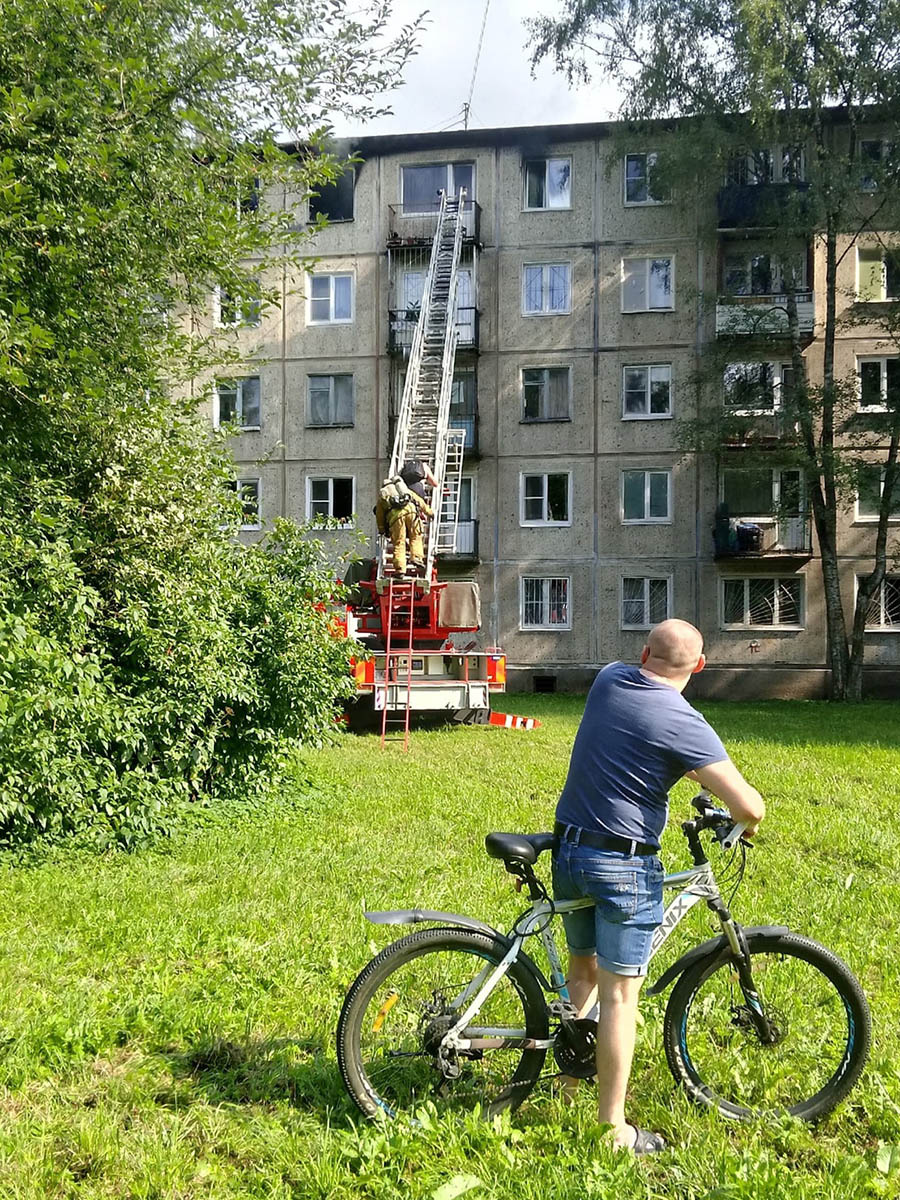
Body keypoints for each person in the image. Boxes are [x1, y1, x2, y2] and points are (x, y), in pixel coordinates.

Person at [552, 619, 765, 1154]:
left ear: (644, 652)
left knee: (584, 970)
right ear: (699, 667)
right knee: (622, 994)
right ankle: (613, 1127)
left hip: (570, 851)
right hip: (620, 865)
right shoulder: (684, 722)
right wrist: (746, 823)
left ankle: (567, 1086)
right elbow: (748, 806)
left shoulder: (609, 679)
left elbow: (636, 741)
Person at [374, 460, 437, 576]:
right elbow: (419, 500)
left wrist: (382, 530)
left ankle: (400, 569)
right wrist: (430, 512)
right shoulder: (403, 489)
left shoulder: (383, 496)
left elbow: (380, 516)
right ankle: (416, 558)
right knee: (416, 536)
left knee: (399, 543)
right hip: (411, 512)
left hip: (396, 518)